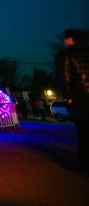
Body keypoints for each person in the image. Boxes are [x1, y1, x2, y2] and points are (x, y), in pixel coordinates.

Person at [55, 28, 89, 169]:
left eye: (65, 38)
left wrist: (68, 97)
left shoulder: (65, 55)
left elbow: (64, 77)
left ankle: (83, 162)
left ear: (70, 39)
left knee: (84, 131)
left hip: (79, 98)